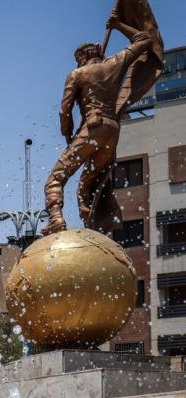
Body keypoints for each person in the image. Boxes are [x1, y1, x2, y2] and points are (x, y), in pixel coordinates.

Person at [42, 14, 154, 235]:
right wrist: (119, 25)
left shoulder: (77, 74)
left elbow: (65, 111)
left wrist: (68, 134)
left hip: (92, 128)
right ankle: (92, 225)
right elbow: (145, 40)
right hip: (112, 131)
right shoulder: (115, 63)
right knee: (88, 183)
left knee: (55, 178)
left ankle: (56, 219)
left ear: (82, 57)